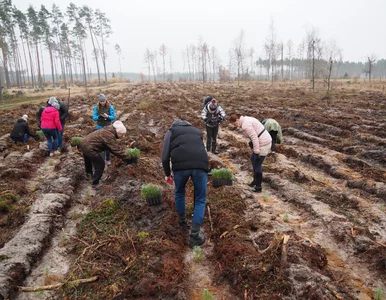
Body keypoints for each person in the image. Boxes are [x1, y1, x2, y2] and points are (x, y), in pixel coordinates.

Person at [161, 120, 209, 247]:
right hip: (200, 166)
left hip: (180, 168)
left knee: (180, 193)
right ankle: (195, 235)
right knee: (200, 199)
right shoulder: (197, 131)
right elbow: (202, 150)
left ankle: (182, 223)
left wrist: (167, 174)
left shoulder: (171, 132)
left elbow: (165, 156)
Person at [80, 120, 134, 190]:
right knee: (100, 164)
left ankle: (89, 176)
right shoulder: (108, 135)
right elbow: (114, 149)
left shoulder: (107, 130)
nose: (123, 136)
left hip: (84, 144)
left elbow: (112, 147)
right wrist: (128, 157)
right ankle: (95, 184)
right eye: (122, 134)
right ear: (118, 132)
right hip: (90, 148)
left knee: (88, 160)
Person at [232, 115, 272, 193]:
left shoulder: (246, 125)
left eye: (234, 124)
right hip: (261, 141)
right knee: (252, 158)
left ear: (237, 120)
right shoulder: (245, 120)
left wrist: (256, 151)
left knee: (257, 163)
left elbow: (254, 137)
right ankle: (255, 181)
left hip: (264, 143)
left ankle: (258, 187)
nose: (235, 126)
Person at [92, 93, 116, 166]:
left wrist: (107, 116)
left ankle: (108, 159)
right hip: (99, 127)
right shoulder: (96, 107)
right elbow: (94, 117)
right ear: (99, 101)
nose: (102, 103)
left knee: (107, 144)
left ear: (106, 100)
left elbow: (113, 117)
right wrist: (99, 116)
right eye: (101, 101)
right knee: (99, 144)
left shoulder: (110, 107)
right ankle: (101, 160)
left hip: (108, 127)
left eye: (103, 101)